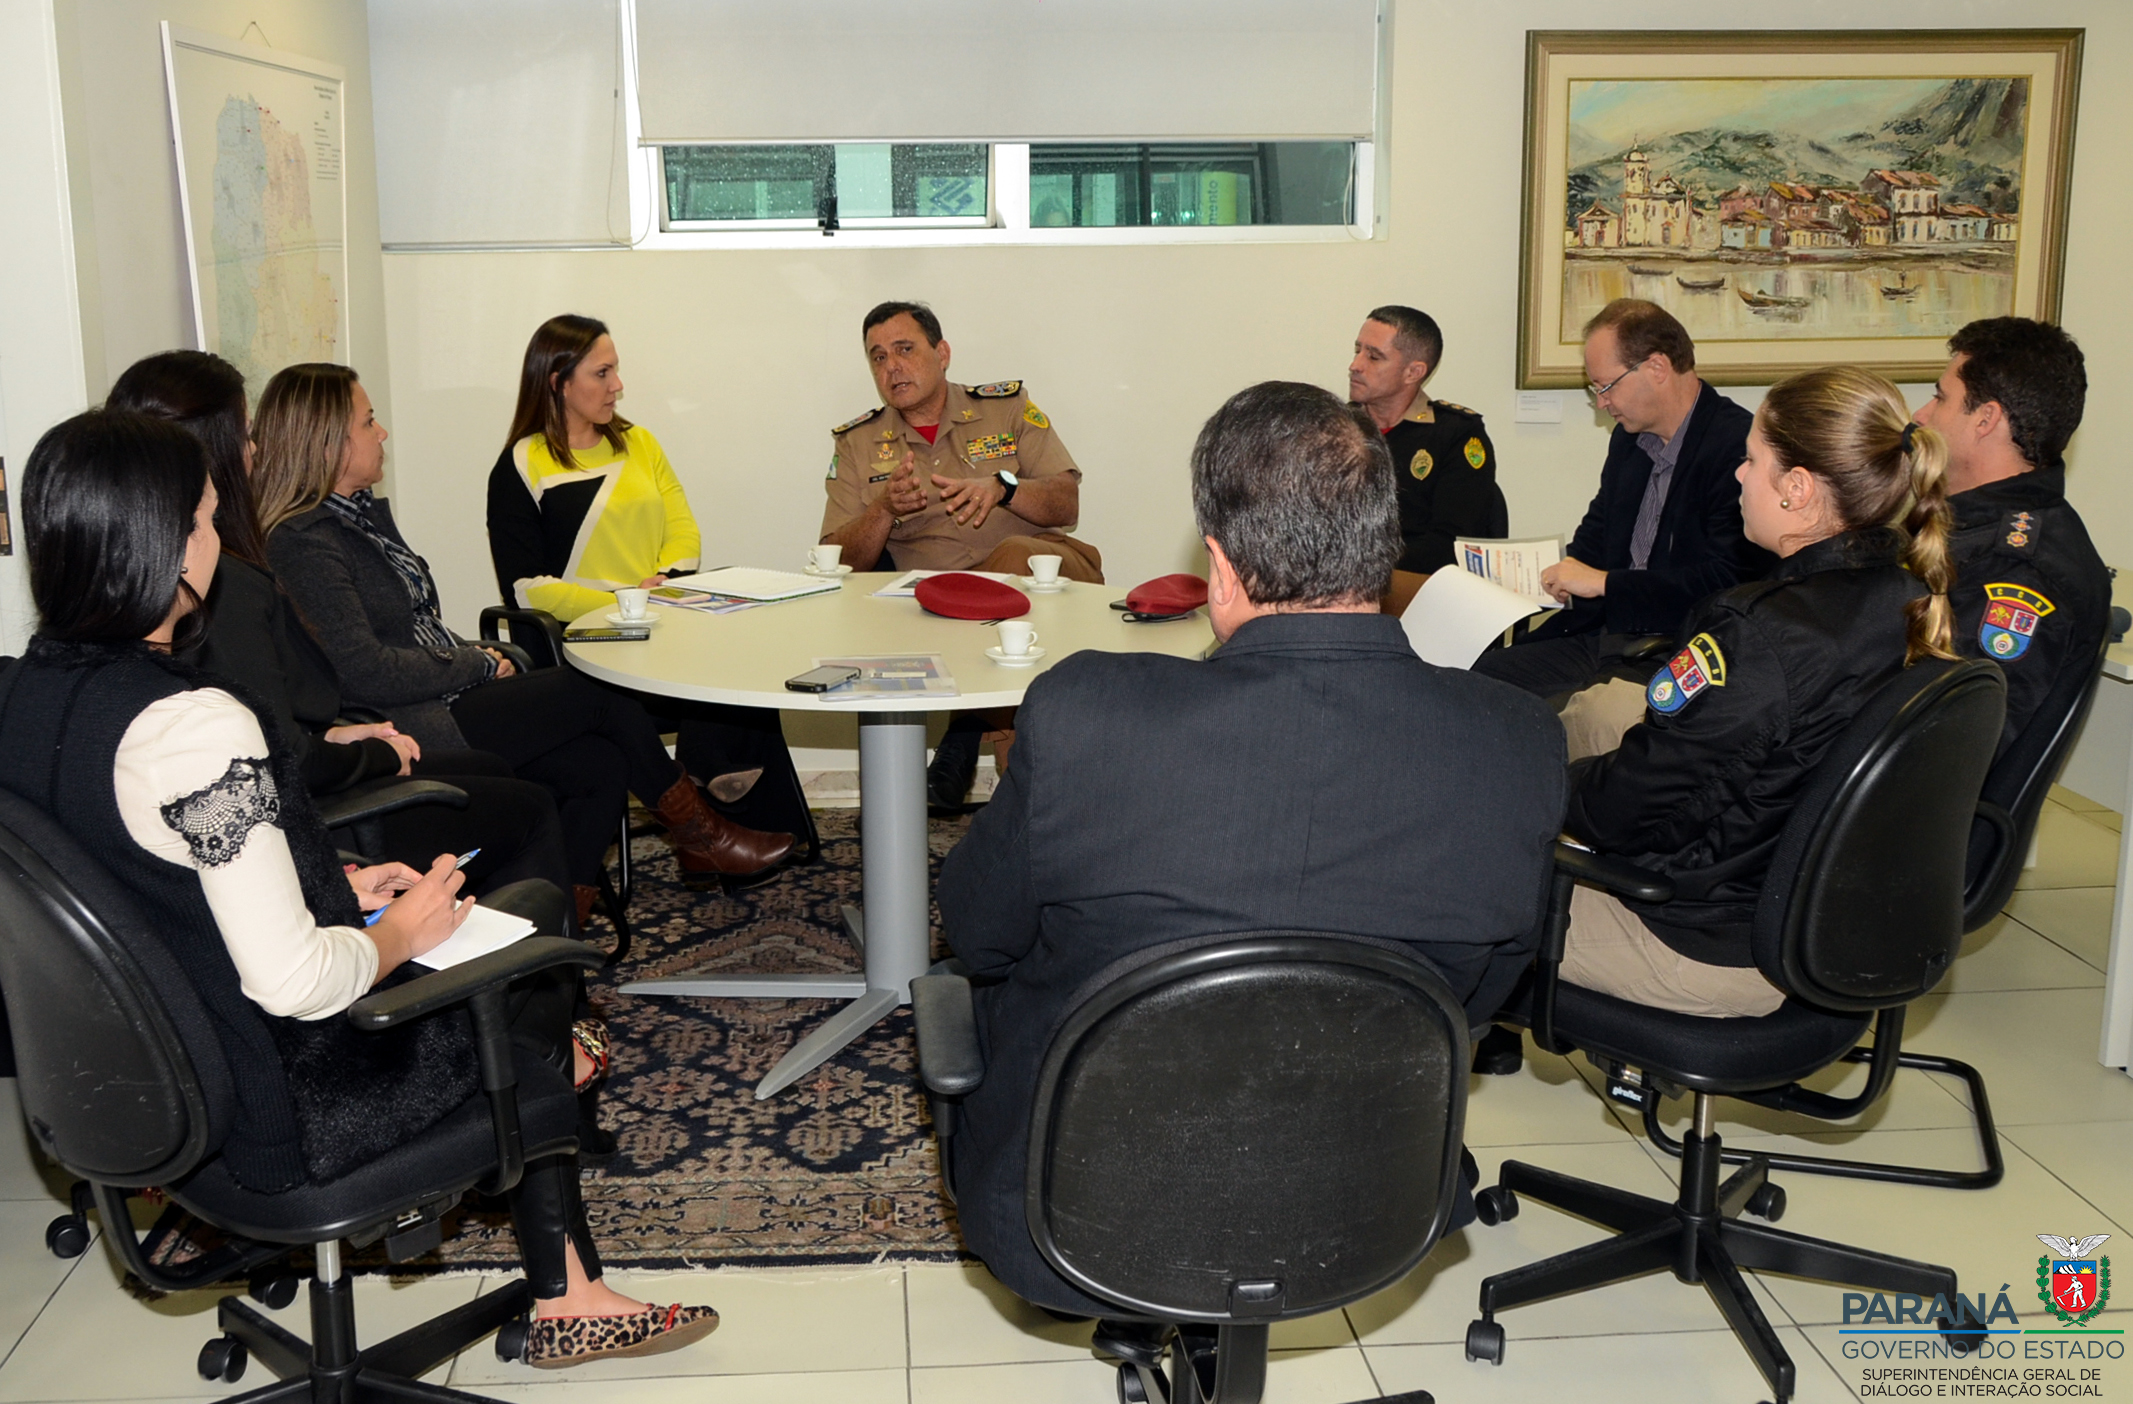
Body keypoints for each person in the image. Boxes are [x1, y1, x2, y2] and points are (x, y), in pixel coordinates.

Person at [4, 410, 717, 1367]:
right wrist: (400, 932)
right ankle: (568, 1287)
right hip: (279, 1108)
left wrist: (330, 879)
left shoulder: (25, 697)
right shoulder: (190, 723)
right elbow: (296, 985)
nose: (219, 539)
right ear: (164, 546)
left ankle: (563, 1181)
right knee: (531, 937)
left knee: (505, 931)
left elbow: (150, 874)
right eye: (210, 519)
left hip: (152, 1089)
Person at [935, 380, 1566, 1314]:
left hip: (1069, 1205)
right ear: (1381, 547)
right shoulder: (1517, 741)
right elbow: (1479, 994)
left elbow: (981, 937)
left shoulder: (1086, 714)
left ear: (1220, 570)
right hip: (1364, 1193)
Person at [254, 364, 793, 910]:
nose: (383, 432)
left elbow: (413, 626)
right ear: (328, 444)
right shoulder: (305, 542)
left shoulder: (358, 519)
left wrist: (471, 656)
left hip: (450, 693)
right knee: (599, 691)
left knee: (601, 768)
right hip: (421, 719)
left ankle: (555, 932)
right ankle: (702, 836)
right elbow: (364, 669)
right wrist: (478, 663)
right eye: (369, 421)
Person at [104, 351, 575, 906]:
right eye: (246, 435)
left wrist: (333, 736)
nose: (256, 450)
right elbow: (278, 754)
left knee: (530, 766)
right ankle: (505, 967)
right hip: (312, 827)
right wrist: (374, 753)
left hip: (316, 773)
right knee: (534, 796)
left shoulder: (140, 585)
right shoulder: (235, 579)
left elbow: (259, 721)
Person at [1557, 365, 1956, 1018]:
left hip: (1710, 940)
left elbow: (1624, 813)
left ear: (1796, 489)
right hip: (1811, 914)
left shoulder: (1761, 633)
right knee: (1599, 713)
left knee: (1456, 890)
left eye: (1750, 460)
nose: (1737, 475)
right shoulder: (1908, 597)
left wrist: (1533, 793)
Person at [485, 314, 802, 816]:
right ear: (559, 383)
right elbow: (526, 588)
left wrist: (669, 582)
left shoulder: (640, 443)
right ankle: (709, 806)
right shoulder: (522, 463)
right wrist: (625, 603)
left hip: (661, 624)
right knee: (712, 686)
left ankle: (741, 813)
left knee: (744, 661)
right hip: (584, 644)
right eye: (602, 374)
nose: (618, 386)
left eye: (616, 371)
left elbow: (682, 528)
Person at [821, 301, 1106, 808]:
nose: (892, 367)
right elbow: (834, 559)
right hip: (943, 608)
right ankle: (1007, 782)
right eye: (878, 357)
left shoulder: (1007, 407)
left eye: (905, 350)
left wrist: (1006, 486)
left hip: (1048, 577)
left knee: (1013, 557)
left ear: (943, 353)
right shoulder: (859, 443)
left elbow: (1068, 500)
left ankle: (960, 735)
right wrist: (883, 509)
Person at [1473, 299, 1768, 699]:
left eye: (1606, 386)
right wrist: (1540, 577)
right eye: (1594, 389)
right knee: (1476, 679)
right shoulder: (1628, 441)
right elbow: (1596, 536)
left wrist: (1607, 584)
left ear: (1657, 368)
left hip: (1676, 650)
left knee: (1537, 713)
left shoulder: (1736, 448)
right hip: (1605, 633)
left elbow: (1726, 584)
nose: (1601, 403)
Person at [1911, 317, 2108, 754]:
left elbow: (1949, 748)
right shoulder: (1974, 530)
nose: (1920, 415)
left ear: (1985, 419)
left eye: (1940, 398)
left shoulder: (2017, 572)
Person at [1348, 305, 1507, 573]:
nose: (1355, 366)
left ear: (1413, 372)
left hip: (1416, 587)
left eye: (1374, 357)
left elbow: (1451, 543)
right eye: (1357, 350)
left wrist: (1358, 567)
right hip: (1334, 589)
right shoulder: (1334, 428)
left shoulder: (1455, 434)